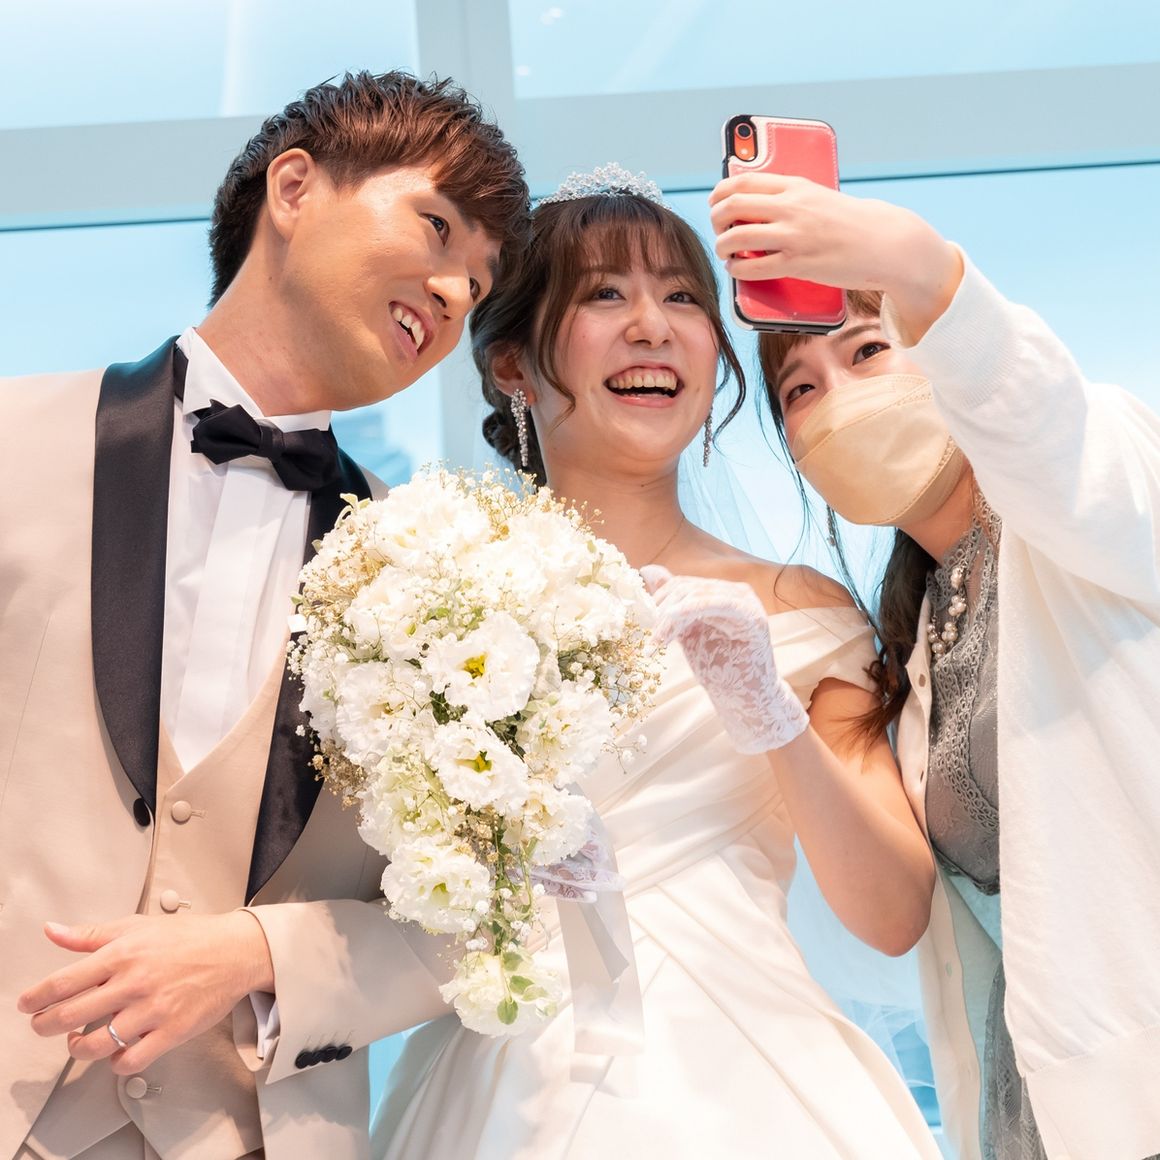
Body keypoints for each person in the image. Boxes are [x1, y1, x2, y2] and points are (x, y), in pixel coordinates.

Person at [1, 70, 528, 1159]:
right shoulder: (13, 439)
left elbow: (475, 923)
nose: (451, 291)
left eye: (476, 285)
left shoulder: (445, 578)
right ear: (294, 189)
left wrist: (260, 953)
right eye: (436, 227)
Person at [372, 165, 942, 1159]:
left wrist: (771, 716)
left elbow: (892, 913)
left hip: (753, 1079)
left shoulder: (797, 610)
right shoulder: (426, 601)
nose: (652, 327)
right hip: (502, 1080)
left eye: (682, 297)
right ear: (510, 366)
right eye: (604, 294)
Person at [696, 170, 1160, 1160]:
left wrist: (913, 262)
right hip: (1035, 1109)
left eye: (867, 351)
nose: (836, 401)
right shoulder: (912, 658)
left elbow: (1042, 419)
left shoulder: (1102, 486)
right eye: (799, 390)